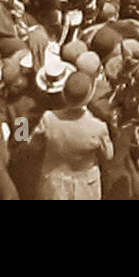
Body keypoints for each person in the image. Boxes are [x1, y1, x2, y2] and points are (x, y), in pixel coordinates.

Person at [29, 71, 113, 200]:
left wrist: (20, 133)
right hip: (86, 187)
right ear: (88, 96)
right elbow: (108, 155)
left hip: (54, 185)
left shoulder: (47, 117)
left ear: (63, 94)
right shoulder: (97, 127)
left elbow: (31, 144)